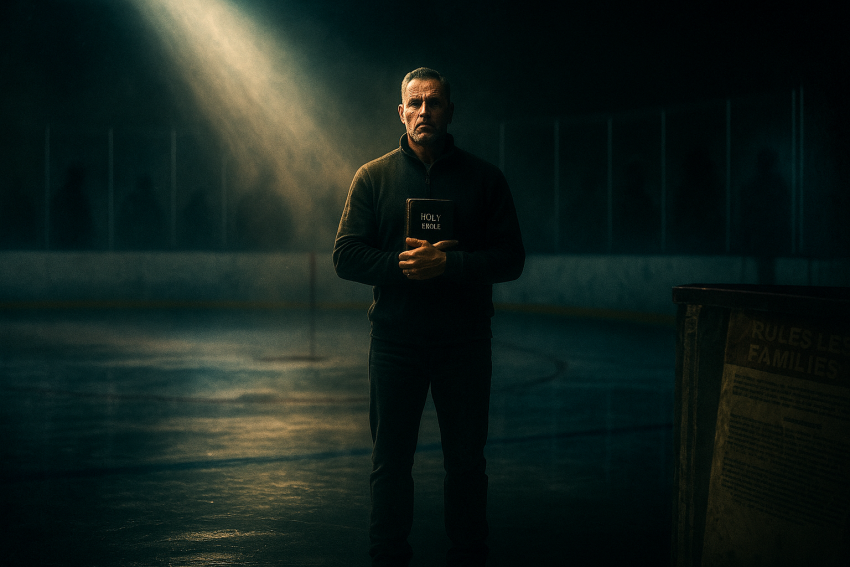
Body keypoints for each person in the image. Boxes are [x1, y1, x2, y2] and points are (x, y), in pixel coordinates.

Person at [333, 67, 525, 567]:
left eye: (433, 103)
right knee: (390, 465)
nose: (423, 112)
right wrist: (402, 265)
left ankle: (468, 554)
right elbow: (345, 255)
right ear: (400, 113)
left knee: (466, 464)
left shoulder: (485, 179)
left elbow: (511, 258)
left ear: (449, 111)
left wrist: (451, 263)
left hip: (464, 346)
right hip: (395, 346)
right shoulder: (372, 177)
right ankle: (387, 556)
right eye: (414, 103)